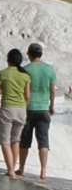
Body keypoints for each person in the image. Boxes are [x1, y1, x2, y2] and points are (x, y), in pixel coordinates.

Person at [19, 43, 56, 180]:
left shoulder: (25, 70)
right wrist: (51, 106)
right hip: (43, 109)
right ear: (41, 54)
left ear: (29, 54)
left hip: (28, 109)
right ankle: (43, 171)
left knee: (24, 141)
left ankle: (22, 169)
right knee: (43, 141)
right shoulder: (49, 69)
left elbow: (22, 90)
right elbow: (52, 90)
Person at [0, 47, 32, 177]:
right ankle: (13, 168)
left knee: (4, 141)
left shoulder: (2, 73)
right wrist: (24, 108)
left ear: (8, 60)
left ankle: (10, 170)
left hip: (7, 109)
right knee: (15, 140)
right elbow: (27, 95)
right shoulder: (25, 75)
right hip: (21, 110)